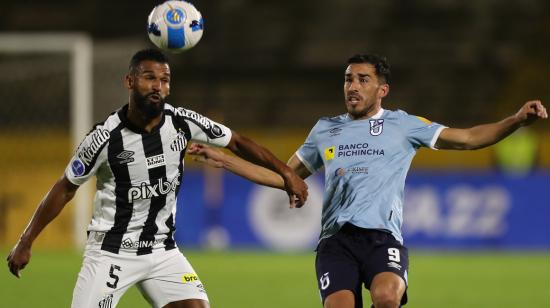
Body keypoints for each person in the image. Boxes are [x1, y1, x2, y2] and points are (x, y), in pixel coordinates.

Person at [187, 54, 548, 308]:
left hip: (382, 238)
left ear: (382, 90)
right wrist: (225, 160)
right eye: (348, 79)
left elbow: (468, 138)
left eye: (363, 79)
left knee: (388, 298)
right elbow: (283, 175)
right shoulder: (325, 130)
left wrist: (515, 120)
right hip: (336, 242)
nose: (353, 86)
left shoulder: (403, 125)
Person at [6, 48, 308, 308]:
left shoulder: (182, 122)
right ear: (129, 81)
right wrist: (26, 241)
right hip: (111, 252)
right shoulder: (104, 138)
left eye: (164, 80)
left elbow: (238, 142)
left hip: (163, 251)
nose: (158, 86)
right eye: (149, 77)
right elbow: (65, 188)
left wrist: (286, 173)